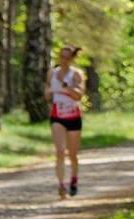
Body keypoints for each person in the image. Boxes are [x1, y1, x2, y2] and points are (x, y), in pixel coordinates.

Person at [44, 45, 85, 199]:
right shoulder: (52, 73)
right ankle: (61, 185)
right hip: (57, 115)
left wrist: (65, 85)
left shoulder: (76, 74)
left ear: (72, 59)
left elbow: (79, 95)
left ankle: (73, 180)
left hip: (73, 115)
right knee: (60, 151)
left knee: (72, 154)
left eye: (67, 58)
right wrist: (48, 92)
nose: (64, 60)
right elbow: (47, 94)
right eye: (62, 57)